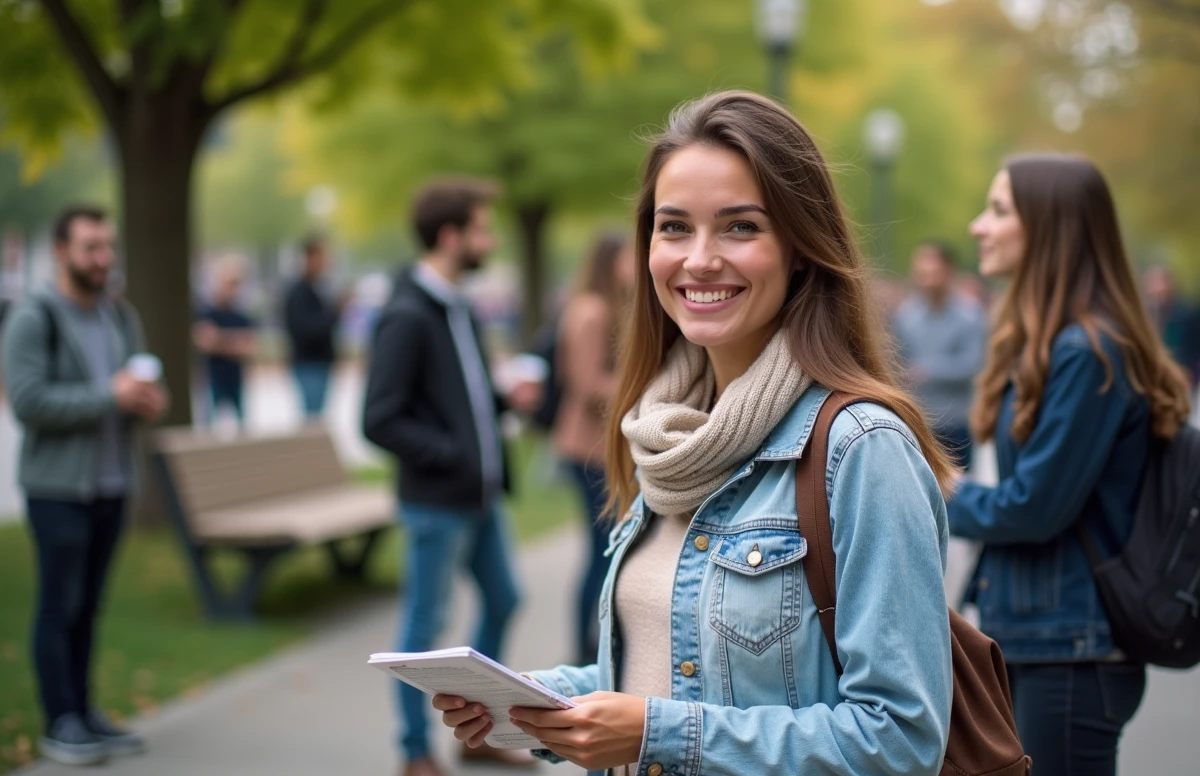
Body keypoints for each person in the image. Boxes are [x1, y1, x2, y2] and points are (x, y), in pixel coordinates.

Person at [434, 91, 956, 775]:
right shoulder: (668, 435)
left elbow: (901, 738)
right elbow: (676, 669)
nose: (700, 259)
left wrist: (659, 734)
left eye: (740, 228)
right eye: (674, 228)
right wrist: (538, 702)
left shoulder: (860, 447)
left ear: (800, 247)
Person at [949, 155, 1193, 776]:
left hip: (1071, 647)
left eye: (999, 210)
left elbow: (1035, 507)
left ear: (1049, 228)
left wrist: (936, 489)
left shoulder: (1088, 352)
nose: (979, 226)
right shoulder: (1055, 344)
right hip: (1045, 638)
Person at [362, 178, 542, 776]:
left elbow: (460, 395)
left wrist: (501, 399)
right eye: (481, 229)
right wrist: (452, 453)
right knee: (424, 624)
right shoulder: (407, 314)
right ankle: (414, 752)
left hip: (480, 496)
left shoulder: (457, 303)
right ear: (450, 236)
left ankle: (476, 732)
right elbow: (380, 419)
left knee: (505, 597)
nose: (488, 239)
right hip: (438, 502)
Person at [0, 205, 167, 766]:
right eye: (91, 247)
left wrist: (144, 403)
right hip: (56, 489)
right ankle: (59, 719)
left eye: (107, 247)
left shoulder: (119, 316)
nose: (103, 259)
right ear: (61, 251)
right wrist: (110, 397)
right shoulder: (34, 317)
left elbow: (128, 394)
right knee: (57, 604)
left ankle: (85, 711)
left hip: (112, 485)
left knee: (90, 605)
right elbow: (27, 402)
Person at [553, 231, 635, 666]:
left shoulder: (607, 307)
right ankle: (585, 651)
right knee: (600, 551)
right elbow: (587, 386)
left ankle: (593, 647)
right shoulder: (592, 311)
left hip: (600, 450)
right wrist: (644, 384)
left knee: (605, 549)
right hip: (588, 451)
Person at [892, 242, 988, 469]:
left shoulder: (970, 315)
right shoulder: (907, 315)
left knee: (959, 493)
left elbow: (973, 364)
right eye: (922, 273)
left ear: (949, 272)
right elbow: (898, 359)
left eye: (933, 272)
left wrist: (928, 371)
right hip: (919, 421)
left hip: (956, 421)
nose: (927, 279)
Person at [193, 256, 256, 426]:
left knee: (242, 426)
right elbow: (204, 342)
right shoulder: (207, 313)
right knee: (209, 426)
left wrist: (219, 339)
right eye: (227, 283)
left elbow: (248, 348)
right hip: (214, 378)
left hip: (235, 378)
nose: (231, 289)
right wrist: (235, 341)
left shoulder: (242, 317)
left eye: (234, 284)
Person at [284, 234, 341, 418]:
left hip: (317, 362)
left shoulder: (315, 287)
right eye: (323, 256)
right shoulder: (300, 291)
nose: (327, 261)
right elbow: (305, 329)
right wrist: (333, 314)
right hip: (310, 363)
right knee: (313, 420)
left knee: (316, 417)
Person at [1144, 264, 1200, 390]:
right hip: (1156, 376)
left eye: (1161, 283)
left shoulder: (1187, 313)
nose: (1158, 289)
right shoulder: (1146, 314)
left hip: (1185, 375)